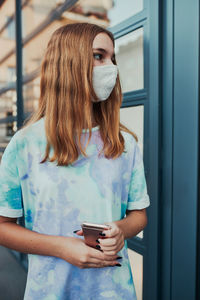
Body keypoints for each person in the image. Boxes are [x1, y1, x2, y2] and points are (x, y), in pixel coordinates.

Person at [0, 23, 150, 300]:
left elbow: (138, 215)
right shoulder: (25, 145)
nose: (111, 67)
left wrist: (120, 230)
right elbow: (2, 226)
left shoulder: (124, 144)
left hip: (115, 291)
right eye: (98, 56)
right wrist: (61, 247)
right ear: (68, 62)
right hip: (49, 292)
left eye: (112, 58)